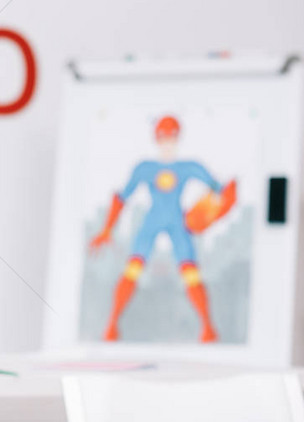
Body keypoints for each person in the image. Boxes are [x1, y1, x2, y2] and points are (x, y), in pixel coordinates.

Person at [89, 115, 234, 343]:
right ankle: (112, 325)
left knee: (190, 273)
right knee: (133, 269)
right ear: (157, 138)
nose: (167, 142)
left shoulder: (189, 167)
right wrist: (107, 228)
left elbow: (220, 189)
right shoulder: (146, 168)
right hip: (153, 221)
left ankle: (207, 327)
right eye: (163, 137)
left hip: (178, 222)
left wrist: (227, 195)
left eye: (171, 137)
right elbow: (122, 197)